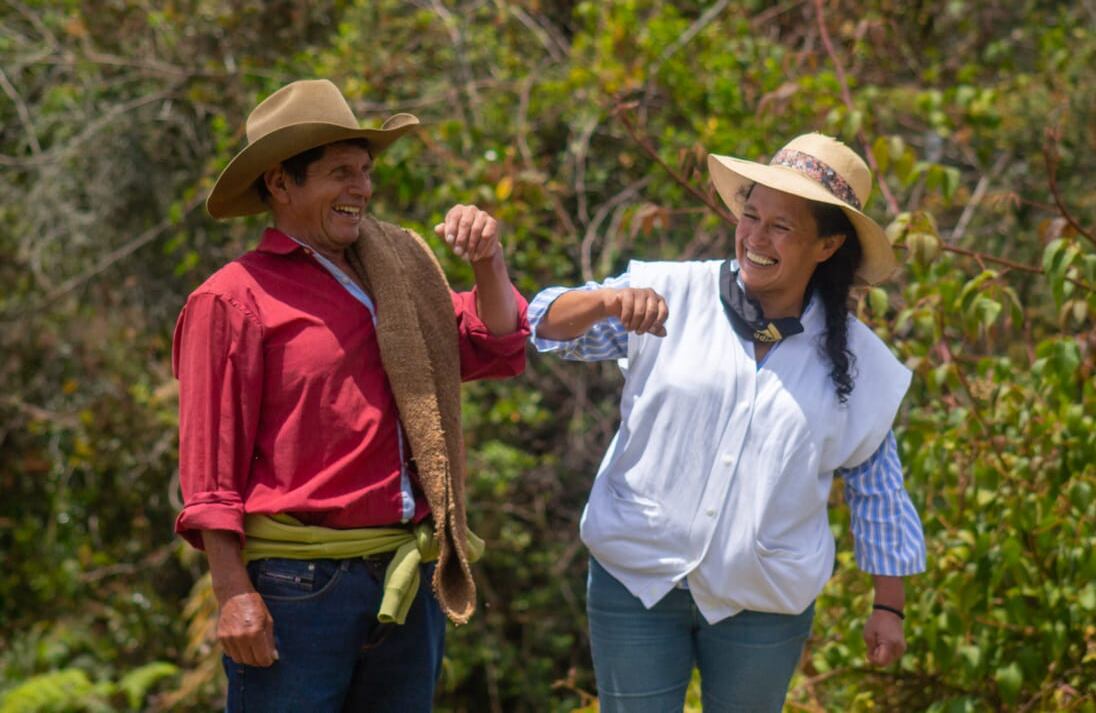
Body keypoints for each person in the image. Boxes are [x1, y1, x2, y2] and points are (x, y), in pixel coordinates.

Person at [529, 133, 926, 712]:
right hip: (637, 579)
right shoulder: (669, 294)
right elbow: (541, 323)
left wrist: (888, 607)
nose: (756, 238)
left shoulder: (859, 364)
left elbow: (878, 490)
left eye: (782, 227)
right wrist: (607, 303)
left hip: (762, 603)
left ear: (827, 245)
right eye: (751, 215)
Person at [172, 79, 530, 712]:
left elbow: (494, 344)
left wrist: (488, 261)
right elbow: (210, 478)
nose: (361, 188)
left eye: (365, 171)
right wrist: (233, 593)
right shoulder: (233, 299)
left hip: (406, 578)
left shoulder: (394, 274)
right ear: (282, 183)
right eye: (340, 173)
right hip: (297, 588)